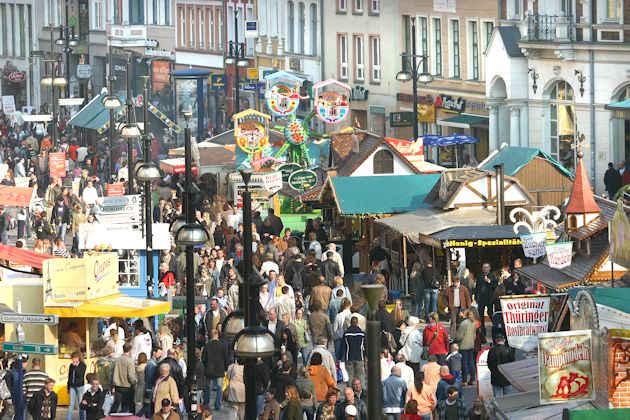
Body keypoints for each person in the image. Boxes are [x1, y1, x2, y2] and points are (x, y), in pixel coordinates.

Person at [202, 329, 228, 411]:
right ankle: (218, 404)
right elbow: (225, 359)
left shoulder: (207, 345)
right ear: (218, 335)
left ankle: (206, 403)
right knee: (219, 387)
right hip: (220, 369)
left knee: (207, 386)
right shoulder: (222, 345)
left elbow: (203, 359)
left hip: (209, 369)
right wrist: (225, 368)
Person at [111, 343, 136, 413]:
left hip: (118, 385)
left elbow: (111, 373)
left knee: (116, 403)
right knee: (129, 404)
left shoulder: (116, 360)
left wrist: (111, 384)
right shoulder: (130, 361)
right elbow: (131, 375)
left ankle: (112, 416)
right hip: (127, 385)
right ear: (130, 350)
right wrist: (134, 382)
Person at [341, 316, 366, 386]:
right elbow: (365, 346)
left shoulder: (346, 333)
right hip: (359, 356)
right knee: (360, 374)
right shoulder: (362, 333)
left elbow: (342, 346)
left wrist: (340, 357)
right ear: (357, 323)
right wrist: (366, 355)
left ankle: (350, 389)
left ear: (350, 323)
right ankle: (362, 389)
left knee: (349, 375)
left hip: (349, 356)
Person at [474, 262, 497, 337]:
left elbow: (495, 286)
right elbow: (477, 287)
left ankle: (495, 327)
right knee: (480, 316)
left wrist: (489, 281)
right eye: (484, 267)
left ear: (489, 268)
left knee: (490, 313)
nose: (485, 269)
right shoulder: (480, 276)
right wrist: (476, 297)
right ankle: (483, 331)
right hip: (481, 299)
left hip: (489, 298)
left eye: (486, 267)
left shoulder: (492, 276)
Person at [455, 310, 476, 386]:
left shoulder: (463, 324)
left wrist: (455, 339)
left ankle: (464, 380)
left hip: (463, 345)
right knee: (471, 362)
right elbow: (474, 335)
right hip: (471, 344)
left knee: (464, 363)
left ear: (464, 314)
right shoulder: (472, 322)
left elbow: (459, 336)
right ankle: (472, 379)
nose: (459, 314)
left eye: (461, 313)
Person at [66, 351, 87, 420]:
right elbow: (69, 376)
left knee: (80, 404)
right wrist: (68, 387)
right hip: (72, 386)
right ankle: (68, 418)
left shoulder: (83, 365)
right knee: (71, 404)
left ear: (79, 358)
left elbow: (80, 374)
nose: (74, 359)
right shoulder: (71, 365)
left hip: (79, 386)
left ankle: (82, 418)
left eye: (75, 357)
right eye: (73, 358)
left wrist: (75, 366)